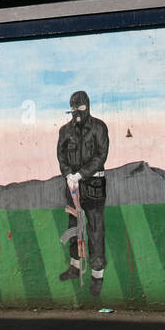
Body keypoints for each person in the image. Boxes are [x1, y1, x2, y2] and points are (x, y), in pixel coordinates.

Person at [56, 90, 109, 297]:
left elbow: (101, 156)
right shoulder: (64, 131)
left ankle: (97, 275)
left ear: (88, 106)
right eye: (74, 108)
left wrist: (80, 174)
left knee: (95, 231)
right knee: (73, 227)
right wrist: (69, 174)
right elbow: (61, 155)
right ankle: (75, 266)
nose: (77, 112)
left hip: (94, 185)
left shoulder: (99, 127)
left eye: (81, 108)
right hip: (72, 187)